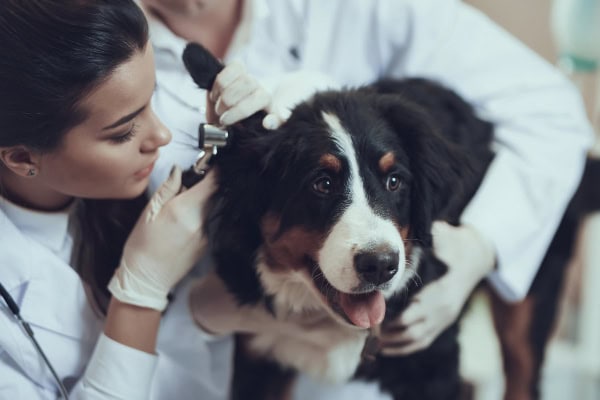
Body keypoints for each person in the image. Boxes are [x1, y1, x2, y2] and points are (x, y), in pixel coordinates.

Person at [137, 0, 595, 398]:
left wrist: (481, 244)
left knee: (520, 366)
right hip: (194, 349)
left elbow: (550, 113)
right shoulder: (100, 42)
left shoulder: (361, 10)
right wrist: (203, 313)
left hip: (448, 236)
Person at [0, 1, 279, 398]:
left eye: (153, 98)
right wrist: (139, 297)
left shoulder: (131, 159)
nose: (161, 135)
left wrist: (240, 145)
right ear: (22, 157)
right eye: (123, 132)